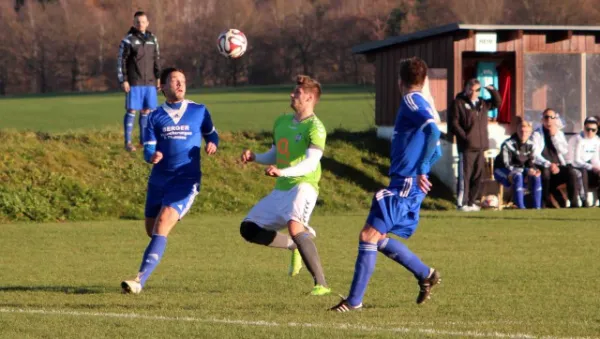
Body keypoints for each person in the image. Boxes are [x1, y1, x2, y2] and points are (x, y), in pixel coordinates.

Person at [330, 57, 442, 312]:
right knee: (376, 238)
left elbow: (434, 133)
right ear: (424, 80)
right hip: (406, 182)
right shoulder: (423, 102)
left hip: (404, 183)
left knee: (368, 236)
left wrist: (422, 169)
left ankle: (353, 302)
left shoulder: (411, 100)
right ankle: (425, 273)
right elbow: (438, 148)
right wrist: (425, 167)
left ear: (399, 81)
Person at [121, 68, 219, 294]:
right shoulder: (153, 116)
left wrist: (212, 143)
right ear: (161, 87)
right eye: (174, 81)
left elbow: (212, 134)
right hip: (159, 181)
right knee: (152, 230)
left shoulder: (199, 110)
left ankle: (138, 280)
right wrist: (152, 156)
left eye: (182, 80)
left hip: (186, 180)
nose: (180, 84)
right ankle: (162, 235)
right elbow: (148, 149)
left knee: (163, 223)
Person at [239, 75, 331, 296]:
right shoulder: (281, 122)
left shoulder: (316, 128)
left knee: (295, 225)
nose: (292, 95)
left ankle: (322, 284)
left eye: (297, 93)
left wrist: (283, 171)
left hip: (304, 186)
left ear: (309, 97)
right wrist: (256, 157)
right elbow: (276, 153)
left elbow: (310, 164)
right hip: (281, 187)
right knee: (248, 229)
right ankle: (293, 246)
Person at [449, 78, 501, 211]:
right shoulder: (458, 103)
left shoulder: (482, 104)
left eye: (476, 90)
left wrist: (492, 91)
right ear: (466, 89)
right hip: (467, 147)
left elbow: (497, 103)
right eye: (470, 90)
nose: (473, 93)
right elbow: (454, 123)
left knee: (478, 176)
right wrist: (465, 137)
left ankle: (472, 202)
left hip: (481, 147)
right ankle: (462, 203)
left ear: (479, 91)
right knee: (465, 177)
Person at [118, 11, 161, 152]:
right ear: (133, 23)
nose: (140, 24)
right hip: (134, 81)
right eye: (137, 22)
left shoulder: (153, 39)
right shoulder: (128, 40)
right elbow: (121, 61)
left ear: (147, 23)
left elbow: (157, 59)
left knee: (146, 111)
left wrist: (158, 78)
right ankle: (128, 142)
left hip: (150, 81)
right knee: (131, 110)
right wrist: (124, 80)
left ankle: (144, 141)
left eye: (143, 21)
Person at [531, 109, 578, 208]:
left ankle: (574, 203)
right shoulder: (537, 134)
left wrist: (554, 136)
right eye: (546, 117)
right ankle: (545, 202)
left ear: (555, 119)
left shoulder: (559, 134)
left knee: (571, 172)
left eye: (551, 117)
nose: (549, 120)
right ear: (542, 119)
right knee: (546, 173)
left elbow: (564, 150)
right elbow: (535, 155)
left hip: (558, 167)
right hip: (544, 166)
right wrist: (549, 164)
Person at [494, 119, 542, 209]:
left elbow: (530, 162)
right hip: (502, 170)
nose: (523, 133)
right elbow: (507, 164)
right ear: (517, 130)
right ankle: (520, 207)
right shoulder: (508, 144)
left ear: (530, 132)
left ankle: (537, 208)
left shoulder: (532, 145)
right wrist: (526, 171)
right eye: (521, 131)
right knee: (518, 175)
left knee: (536, 175)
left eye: (526, 131)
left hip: (520, 170)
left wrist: (533, 170)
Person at [566, 117, 600, 207]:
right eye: (588, 129)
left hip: (584, 164)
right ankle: (582, 201)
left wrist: (598, 168)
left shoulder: (596, 140)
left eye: (593, 130)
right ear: (584, 128)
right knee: (581, 173)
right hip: (571, 165)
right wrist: (592, 167)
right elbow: (576, 161)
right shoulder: (577, 139)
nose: (590, 132)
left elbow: (595, 158)